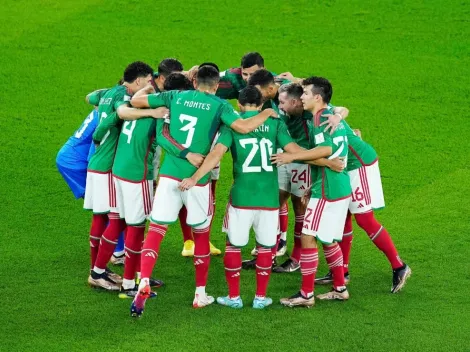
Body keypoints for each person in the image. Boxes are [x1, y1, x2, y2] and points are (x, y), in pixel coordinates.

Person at [128, 65, 278, 317]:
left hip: (170, 174)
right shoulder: (221, 106)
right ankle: (200, 294)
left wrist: (156, 107)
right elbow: (242, 128)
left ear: (195, 81)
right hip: (198, 180)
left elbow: (136, 100)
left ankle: (143, 280)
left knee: (156, 230)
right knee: (200, 234)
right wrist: (265, 115)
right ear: (217, 85)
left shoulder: (174, 96)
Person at [179, 86, 305, 309]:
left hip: (241, 198)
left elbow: (215, 154)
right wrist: (324, 158)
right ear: (261, 105)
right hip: (269, 198)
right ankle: (260, 298)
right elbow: (294, 150)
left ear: (239, 103)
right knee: (267, 247)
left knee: (234, 247)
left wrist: (195, 177)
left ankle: (234, 297)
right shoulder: (276, 123)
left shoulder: (232, 126)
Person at [86, 61, 166, 291]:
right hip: (111, 166)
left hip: (109, 164)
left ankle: (103, 270)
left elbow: (90, 97)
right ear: (140, 81)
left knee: (116, 220)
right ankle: (102, 273)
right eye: (150, 81)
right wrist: (151, 110)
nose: (152, 84)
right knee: (119, 221)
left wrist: (100, 130)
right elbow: (121, 112)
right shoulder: (125, 101)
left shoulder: (111, 93)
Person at [274, 77, 352, 307]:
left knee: (308, 236)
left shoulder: (319, 118)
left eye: (306, 93)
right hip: (337, 185)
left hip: (327, 189)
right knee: (327, 239)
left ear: (317, 97)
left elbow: (326, 149)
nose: (303, 97)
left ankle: (306, 294)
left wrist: (293, 155)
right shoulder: (328, 113)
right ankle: (340, 288)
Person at [315, 125, 411, 293]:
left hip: (358, 165)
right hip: (345, 166)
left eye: (306, 96)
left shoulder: (322, 114)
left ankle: (399, 266)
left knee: (364, 219)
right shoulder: (315, 113)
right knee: (343, 216)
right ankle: (341, 271)